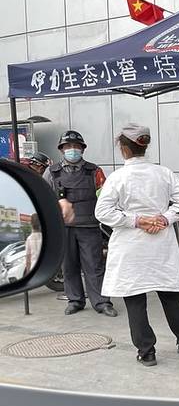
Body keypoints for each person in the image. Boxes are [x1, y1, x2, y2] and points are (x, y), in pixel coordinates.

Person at [95, 124, 179, 367]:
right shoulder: (163, 173)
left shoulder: (117, 178)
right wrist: (164, 218)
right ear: (144, 146)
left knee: (135, 298)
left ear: (123, 149)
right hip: (160, 244)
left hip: (130, 246)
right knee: (170, 294)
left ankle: (146, 351)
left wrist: (136, 220)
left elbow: (102, 212)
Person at [44, 130, 116, 317]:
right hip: (63, 228)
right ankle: (75, 300)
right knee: (69, 266)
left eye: (76, 146)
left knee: (94, 265)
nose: (72, 149)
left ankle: (102, 302)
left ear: (82, 149)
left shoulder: (94, 171)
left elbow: (105, 196)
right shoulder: (51, 172)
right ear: (61, 149)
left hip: (89, 226)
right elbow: (44, 198)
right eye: (68, 146)